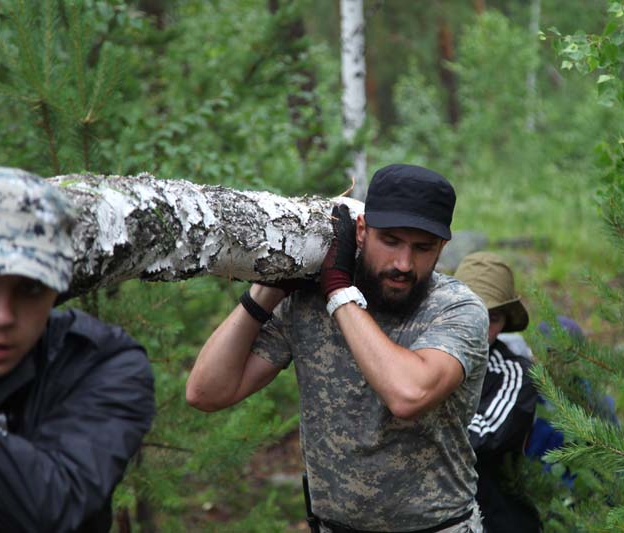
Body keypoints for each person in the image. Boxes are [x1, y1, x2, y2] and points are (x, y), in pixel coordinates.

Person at [187, 164, 489, 532]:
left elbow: (408, 394)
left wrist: (340, 293)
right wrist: (269, 288)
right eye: (390, 241)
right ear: (361, 232)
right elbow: (206, 391)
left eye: (422, 248)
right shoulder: (309, 301)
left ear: (442, 246)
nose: (403, 264)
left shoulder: (456, 309)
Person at [0, 167, 155, 532]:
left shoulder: (101, 364)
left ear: (55, 291)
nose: (1, 317)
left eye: (29, 289)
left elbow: (50, 507)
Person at [454, 252, 542, 533]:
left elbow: (481, 435)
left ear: (504, 322)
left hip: (494, 517)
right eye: (471, 311)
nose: (479, 327)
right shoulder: (421, 352)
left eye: (491, 317)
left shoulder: (513, 373)